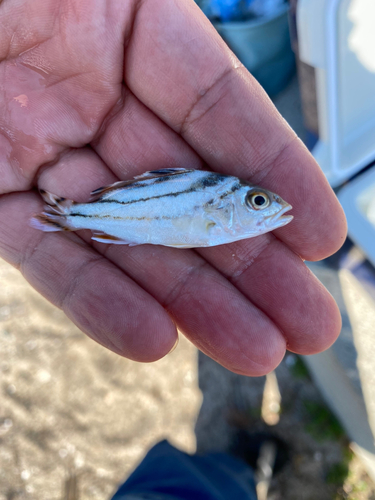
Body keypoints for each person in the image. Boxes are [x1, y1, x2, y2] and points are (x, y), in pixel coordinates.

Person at [0, 0, 346, 497]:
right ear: (234, 201)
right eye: (257, 201)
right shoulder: (218, 209)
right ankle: (241, 472)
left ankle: (233, 472)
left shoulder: (225, 215)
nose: (267, 207)